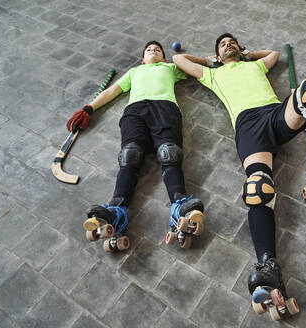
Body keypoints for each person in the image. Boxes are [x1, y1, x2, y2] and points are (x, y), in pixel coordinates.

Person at [173, 33, 306, 317]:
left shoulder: (255, 64)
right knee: (258, 188)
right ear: (216, 54)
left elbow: (273, 54)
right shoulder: (212, 74)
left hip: (275, 114)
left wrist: (247, 54)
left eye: (233, 42)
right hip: (249, 128)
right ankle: (268, 264)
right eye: (223, 44)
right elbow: (178, 59)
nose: (229, 45)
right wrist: (211, 60)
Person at [67, 41, 204, 251]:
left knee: (170, 154)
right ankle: (117, 211)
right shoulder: (134, 71)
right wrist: (89, 108)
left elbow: (194, 67)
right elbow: (112, 90)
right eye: (149, 49)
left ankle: (179, 206)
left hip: (165, 109)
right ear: (143, 58)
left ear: (164, 58)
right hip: (135, 112)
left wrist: (208, 60)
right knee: (129, 156)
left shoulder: (170, 68)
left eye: (158, 50)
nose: (153, 51)